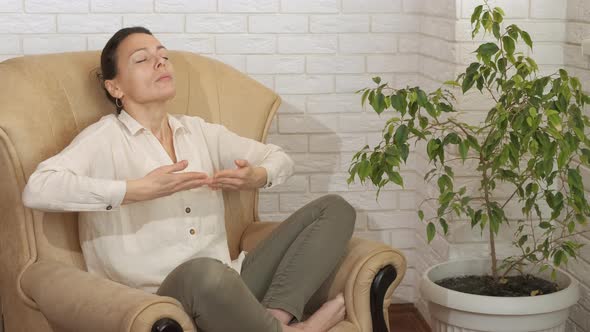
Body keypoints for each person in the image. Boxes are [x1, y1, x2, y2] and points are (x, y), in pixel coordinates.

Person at [22, 26, 356, 332]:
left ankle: (276, 320)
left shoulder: (199, 131)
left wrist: (258, 175)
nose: (160, 62)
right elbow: (38, 188)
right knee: (202, 271)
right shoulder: (103, 139)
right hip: (160, 299)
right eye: (142, 59)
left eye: (164, 56)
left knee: (335, 209)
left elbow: (280, 158)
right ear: (115, 86)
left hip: (230, 284)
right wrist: (135, 190)